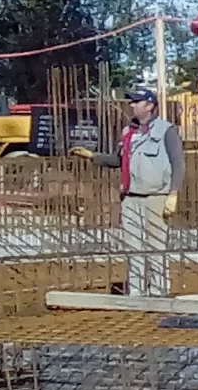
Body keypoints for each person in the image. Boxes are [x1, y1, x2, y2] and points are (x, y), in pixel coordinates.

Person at [77, 86, 186, 296]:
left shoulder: (166, 130)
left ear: (150, 106)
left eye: (137, 101)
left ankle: (159, 290)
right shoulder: (129, 133)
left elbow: (178, 164)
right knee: (133, 246)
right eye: (132, 102)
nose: (132, 105)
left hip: (157, 196)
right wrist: (93, 157)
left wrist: (173, 194)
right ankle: (136, 291)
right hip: (131, 197)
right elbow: (118, 160)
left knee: (156, 246)